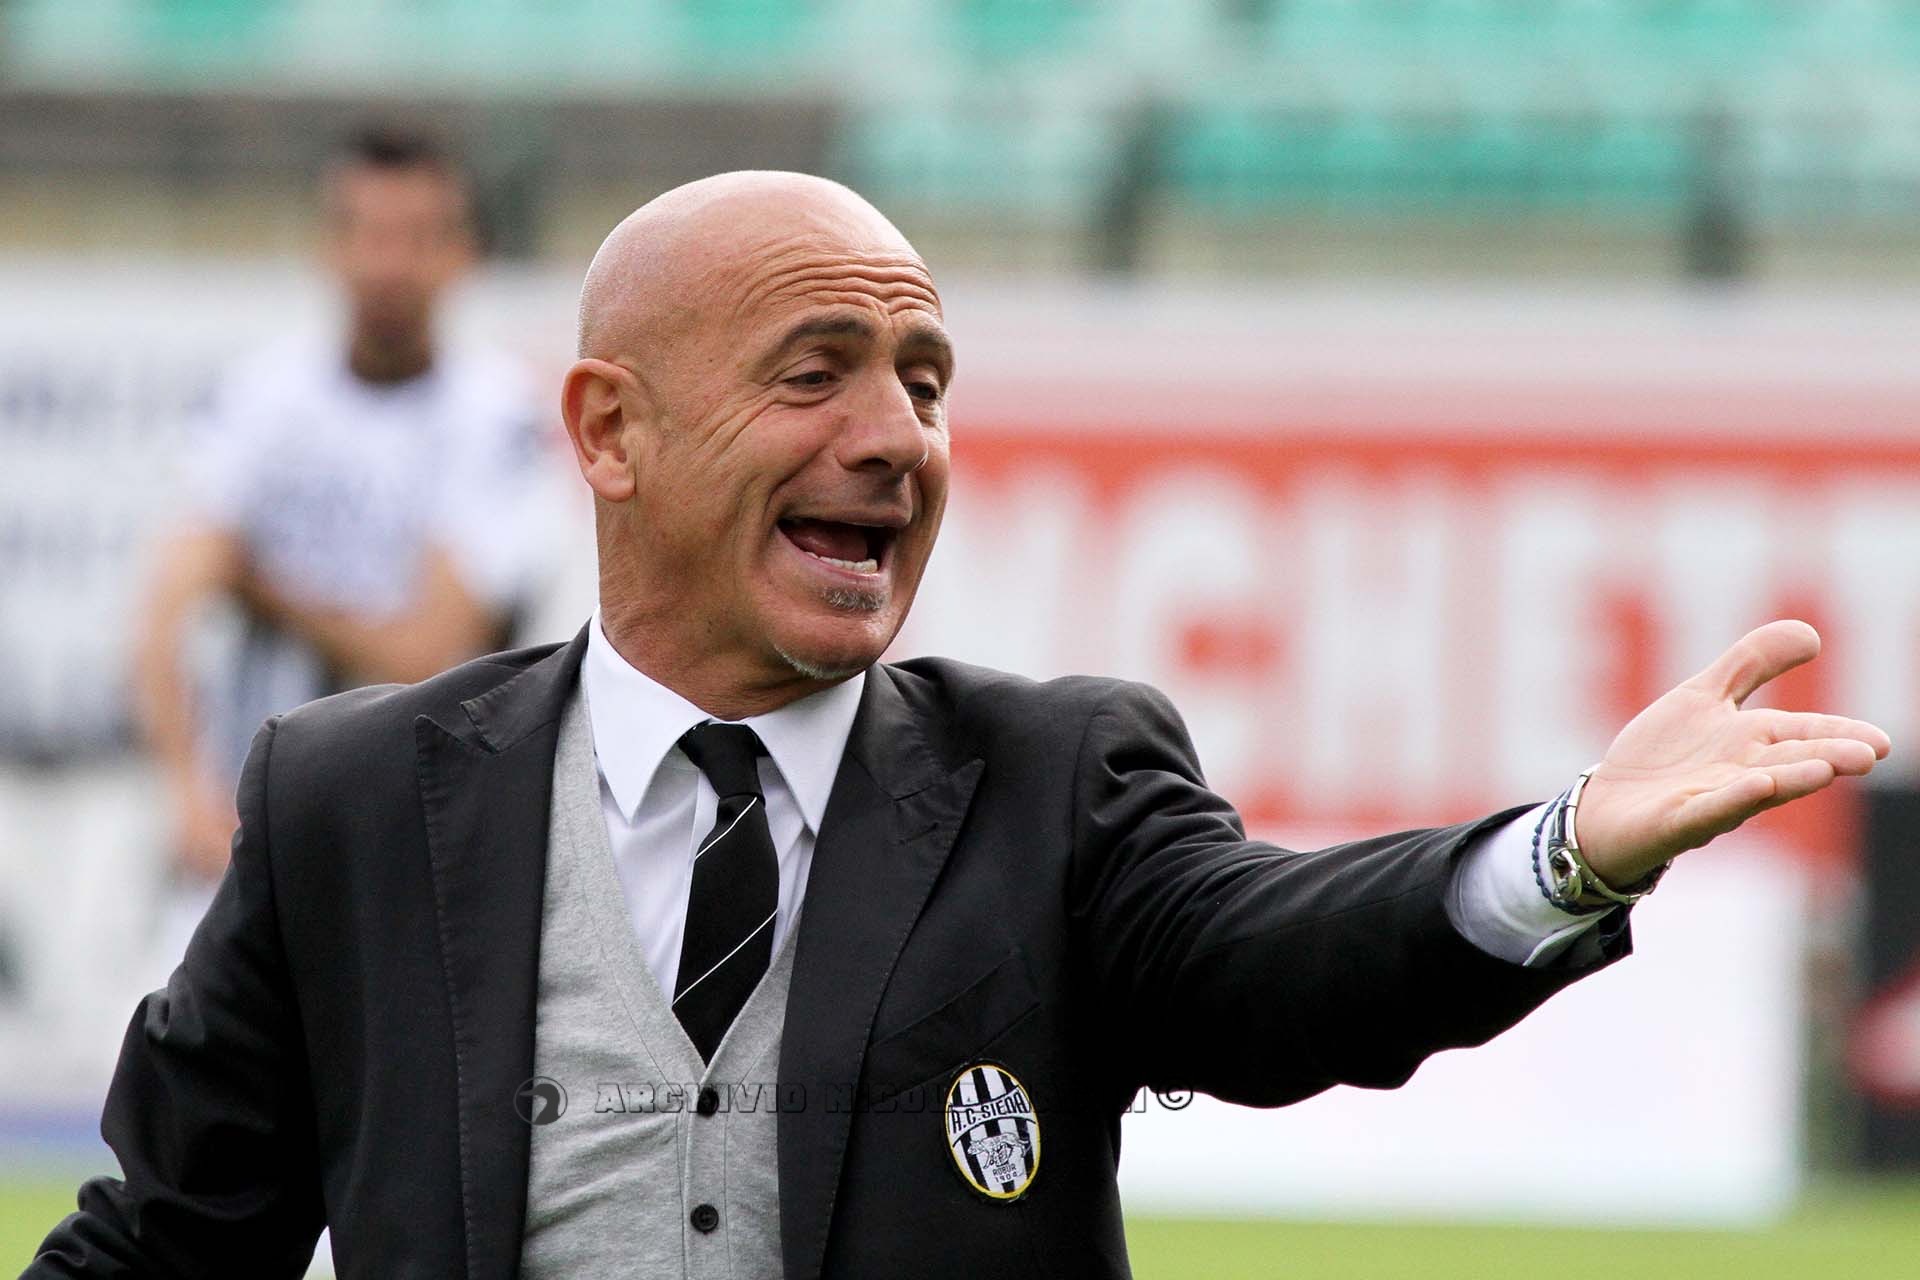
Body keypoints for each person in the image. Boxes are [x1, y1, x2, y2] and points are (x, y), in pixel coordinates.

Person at [28, 173, 1891, 1279]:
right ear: (609, 431)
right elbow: (172, 1242)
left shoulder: (1055, 781)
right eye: (816, 373)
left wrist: (1560, 853)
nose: (896, 439)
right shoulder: (353, 799)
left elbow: (1282, 965)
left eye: (925, 382)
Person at [132, 124, 545, 893]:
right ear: (326, 247)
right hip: (249, 829)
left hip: (413, 837)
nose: (388, 265)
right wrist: (186, 794)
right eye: (367, 234)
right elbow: (164, 612)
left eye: (417, 237)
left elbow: (431, 652)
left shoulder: (497, 416)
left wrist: (263, 589)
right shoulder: (261, 397)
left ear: (464, 254)